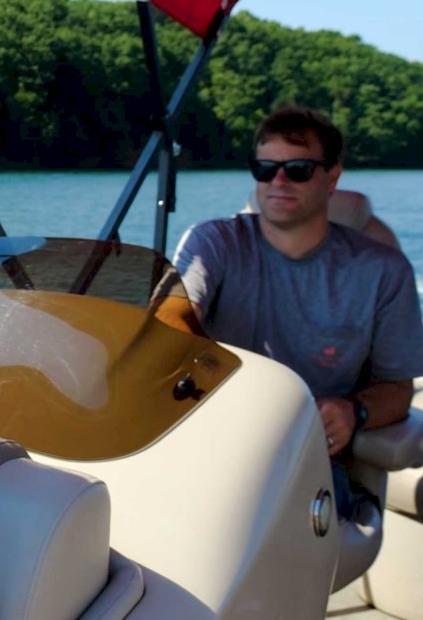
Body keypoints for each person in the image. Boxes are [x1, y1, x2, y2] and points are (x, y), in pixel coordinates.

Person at [173, 105, 423, 518]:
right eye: (265, 168)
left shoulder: (383, 271)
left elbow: (397, 391)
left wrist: (353, 411)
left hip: (313, 467)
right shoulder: (213, 242)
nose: (279, 180)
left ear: (332, 177)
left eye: (299, 169)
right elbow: (174, 314)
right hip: (210, 443)